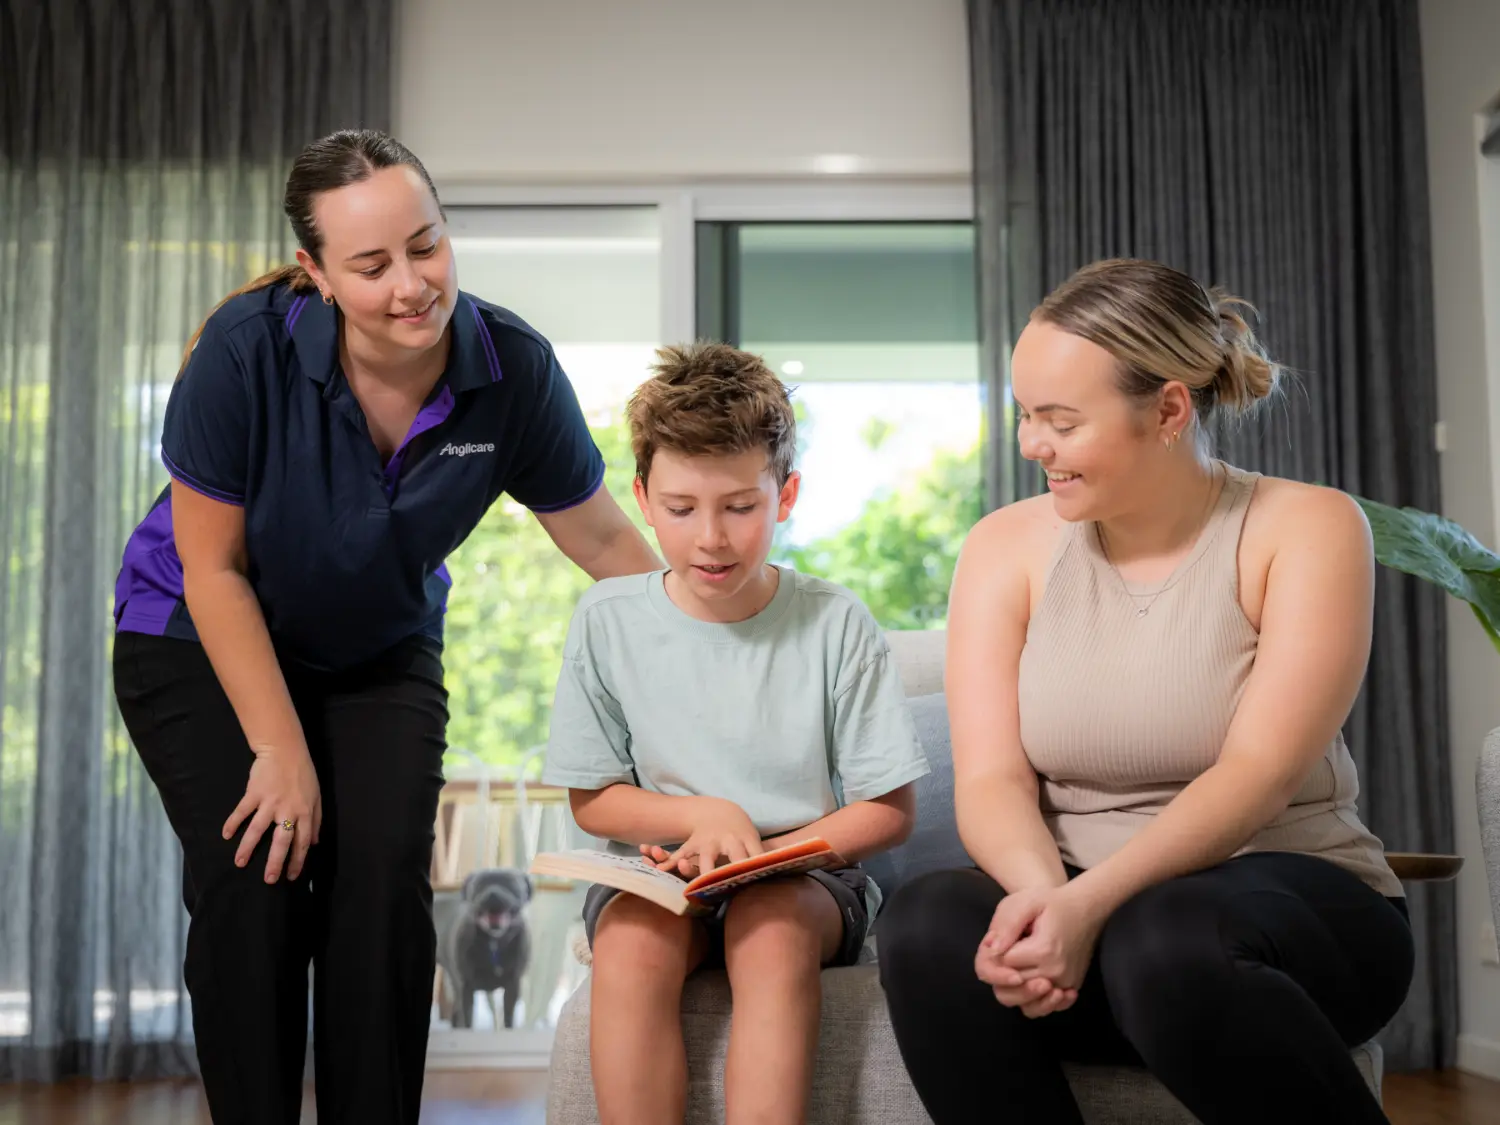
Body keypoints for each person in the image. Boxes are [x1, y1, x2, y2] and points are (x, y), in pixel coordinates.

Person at [110, 128, 662, 1125]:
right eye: (371, 265)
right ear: (315, 272)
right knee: (262, 874)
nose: (412, 284)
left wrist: (726, 656)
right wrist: (278, 748)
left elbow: (609, 548)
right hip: (197, 634)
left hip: (376, 648)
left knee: (380, 886)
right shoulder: (244, 356)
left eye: (427, 245)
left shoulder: (513, 370)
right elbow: (214, 569)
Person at [875, 258, 1414, 1125]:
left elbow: (1259, 773)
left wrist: (1088, 905)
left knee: (1161, 936)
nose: (1030, 445)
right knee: (928, 918)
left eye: (1060, 420)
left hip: (1281, 917)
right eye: (1024, 415)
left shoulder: (1304, 526)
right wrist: (1044, 901)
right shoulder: (1003, 548)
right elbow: (990, 778)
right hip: (1074, 917)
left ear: (1168, 409)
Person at [540, 341, 931, 1125]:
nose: (710, 538)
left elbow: (888, 811)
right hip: (662, 869)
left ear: (785, 495)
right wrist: (700, 817)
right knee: (632, 948)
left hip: (805, 876)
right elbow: (594, 798)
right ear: (643, 499)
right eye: (681, 509)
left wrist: (765, 849)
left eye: (739, 507)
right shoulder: (608, 618)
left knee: (771, 930)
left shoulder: (835, 621)